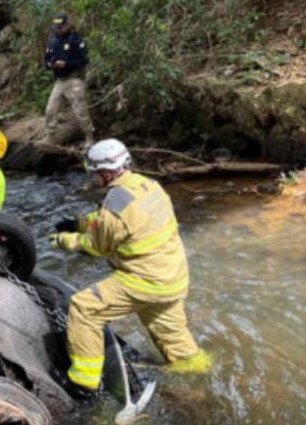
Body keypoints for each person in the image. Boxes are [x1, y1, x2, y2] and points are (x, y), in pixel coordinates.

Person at [49, 138, 210, 394]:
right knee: (172, 334)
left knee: (84, 308)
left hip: (143, 279)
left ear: (105, 173)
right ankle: (200, 378)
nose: (95, 178)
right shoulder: (149, 186)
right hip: (173, 276)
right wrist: (79, 222)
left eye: (95, 174)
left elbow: (97, 246)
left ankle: (84, 382)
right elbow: (125, 220)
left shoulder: (114, 208)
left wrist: (64, 240)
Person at [43, 12, 95, 146]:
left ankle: (89, 137)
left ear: (68, 24)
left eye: (61, 27)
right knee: (50, 110)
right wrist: (50, 64)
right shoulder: (53, 39)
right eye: (56, 28)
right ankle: (50, 137)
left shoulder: (76, 39)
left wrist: (66, 64)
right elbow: (47, 58)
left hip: (74, 79)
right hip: (59, 81)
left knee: (80, 110)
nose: (58, 30)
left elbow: (84, 60)